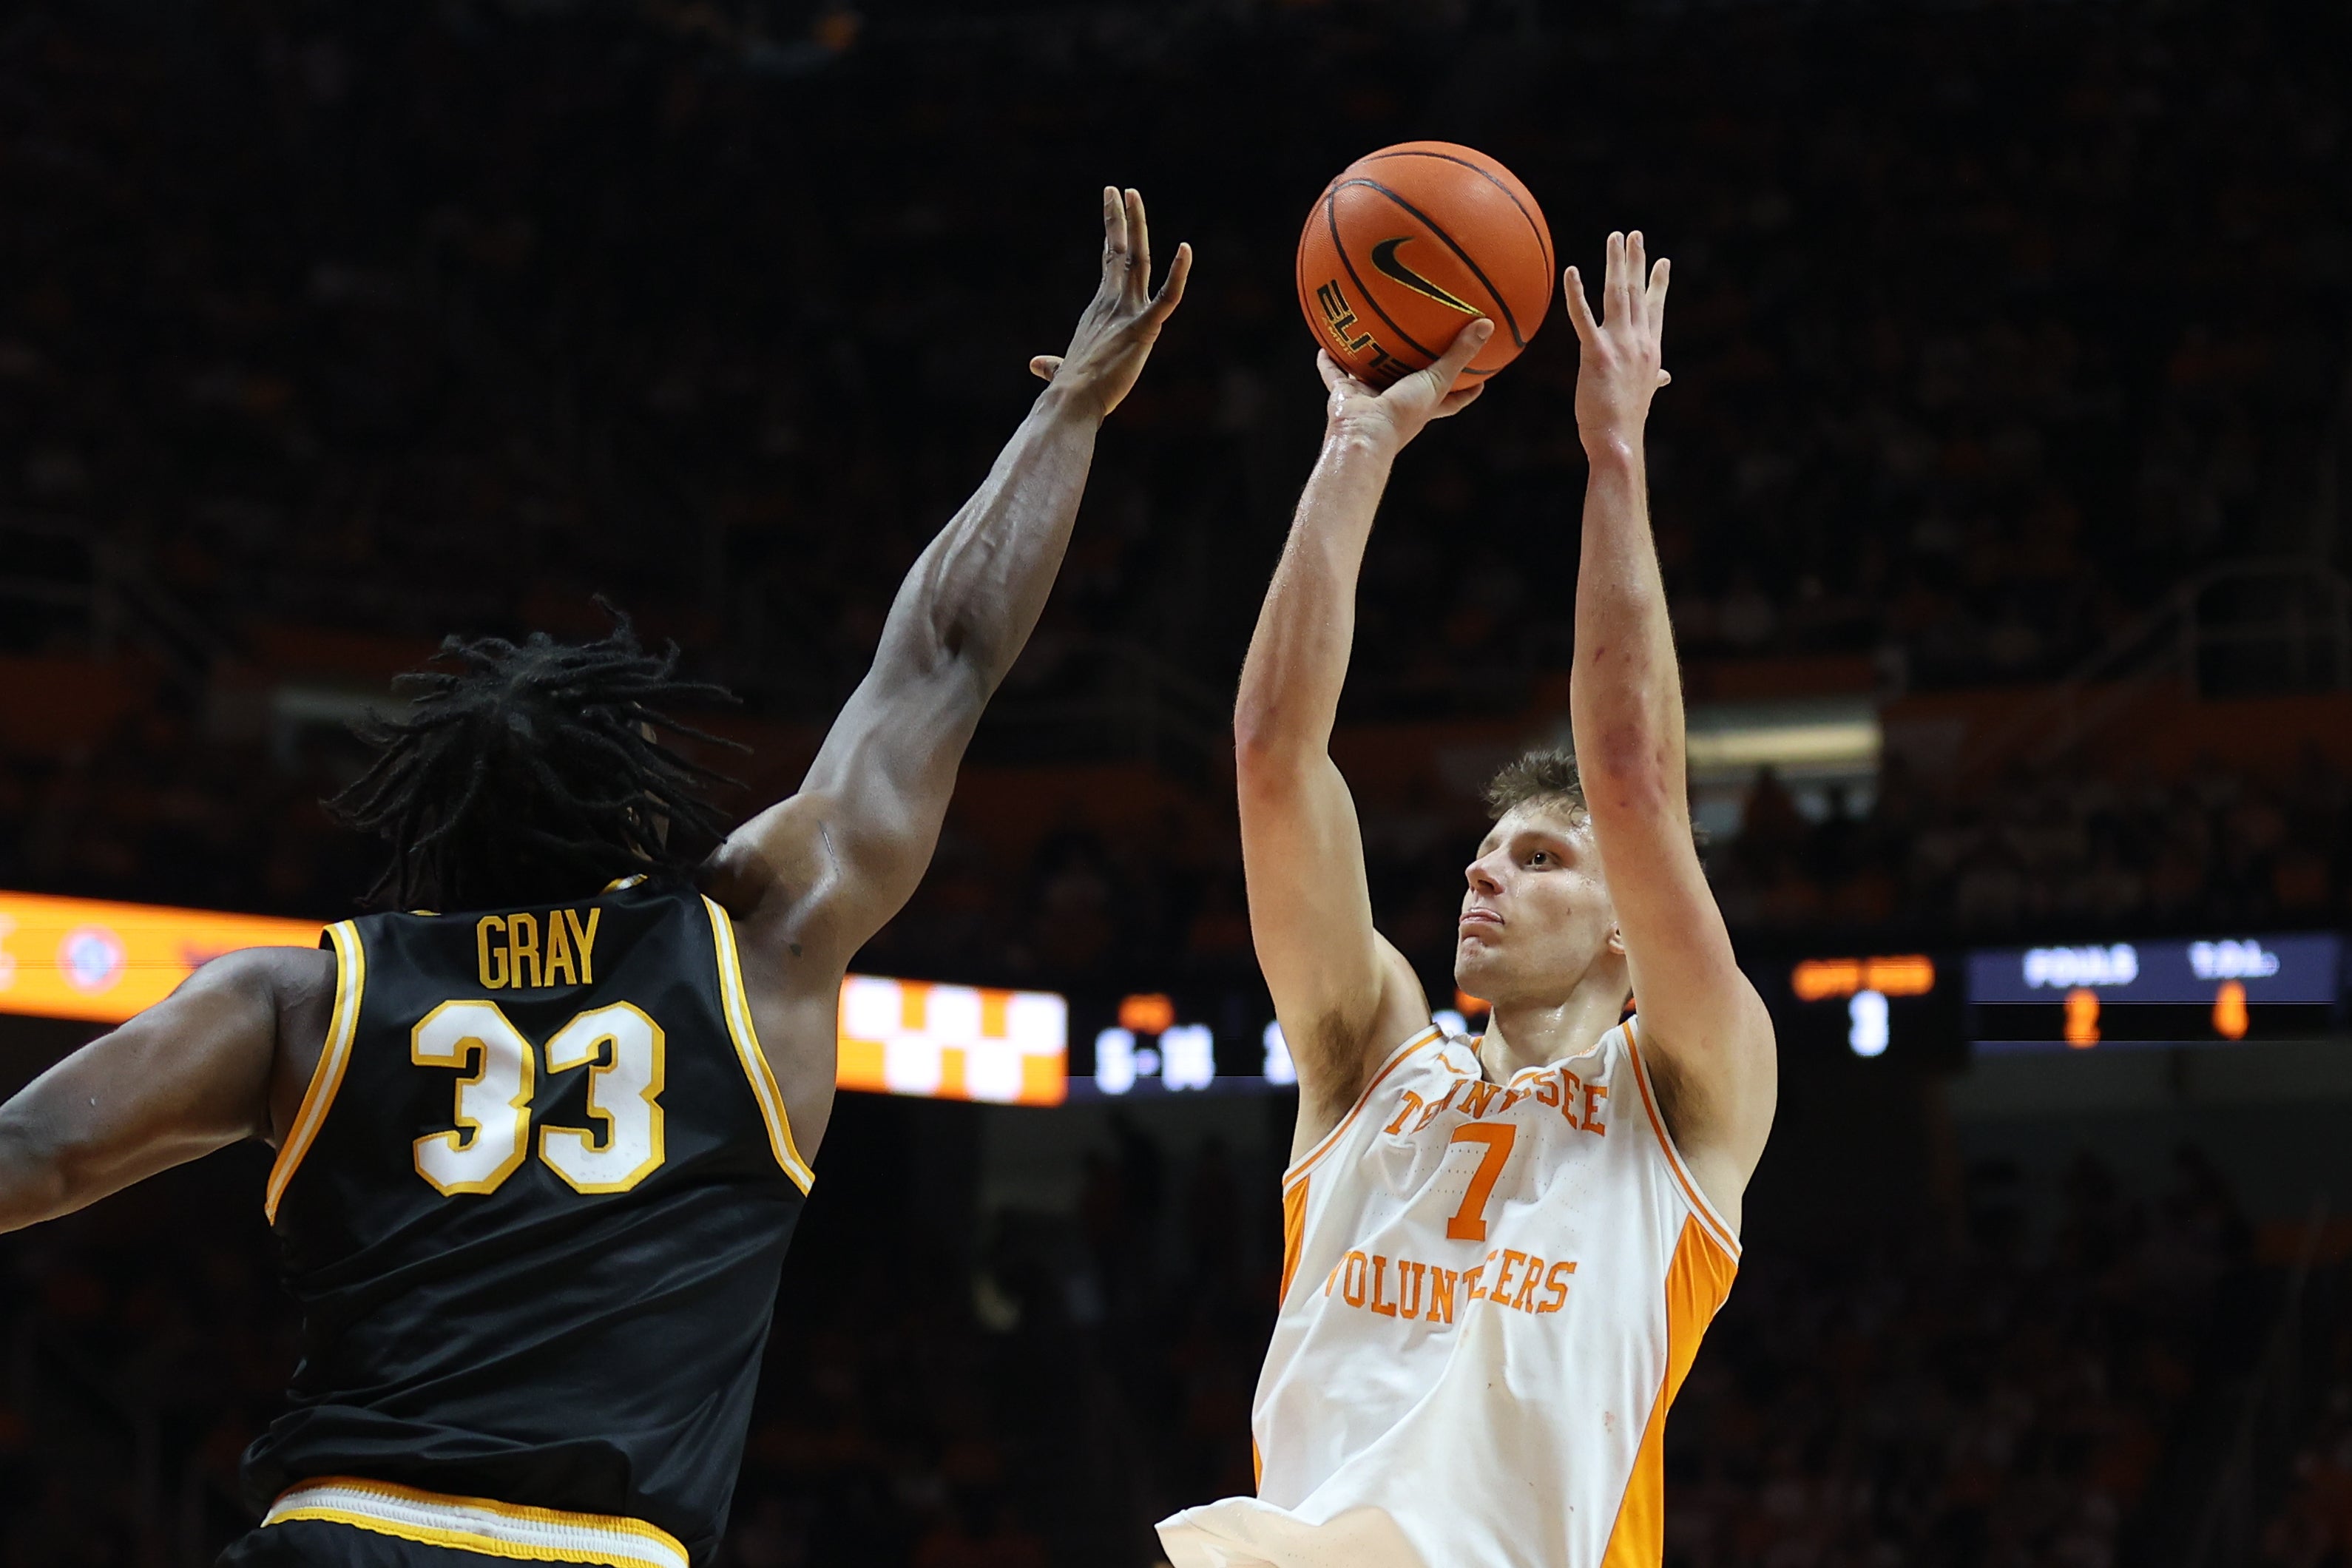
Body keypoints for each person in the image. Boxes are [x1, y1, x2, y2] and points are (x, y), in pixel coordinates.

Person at [0, 189, 1189, 1568]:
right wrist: (1069, 414)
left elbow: (32, 1150)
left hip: (342, 1534)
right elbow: (943, 657)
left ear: (438, 834)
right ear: (642, 805)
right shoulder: (760, 938)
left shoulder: (302, 1000)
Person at [1158, 232, 1777, 1567]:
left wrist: (1616, 452)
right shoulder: (1371, 1055)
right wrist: (1357, 447)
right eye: (1488, 850)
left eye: (1543, 858)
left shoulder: (1688, 1092)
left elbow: (1630, 778)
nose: (1486, 870)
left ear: (1629, 921)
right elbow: (1274, 756)